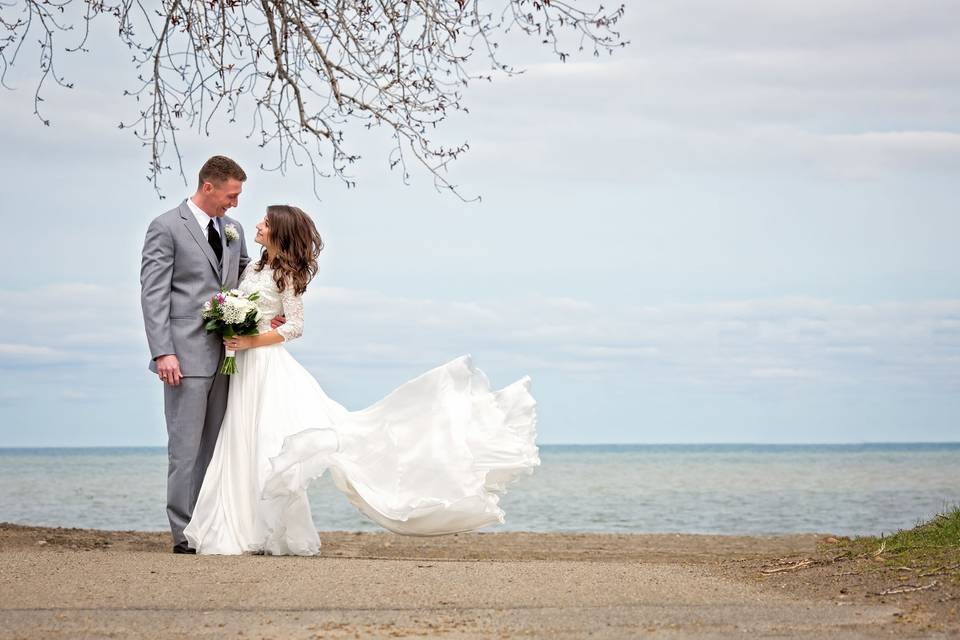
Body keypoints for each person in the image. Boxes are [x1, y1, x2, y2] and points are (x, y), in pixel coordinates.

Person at [183, 205, 540, 555]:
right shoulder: (257, 264)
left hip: (265, 364)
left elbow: (295, 326)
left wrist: (250, 340)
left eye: (266, 221)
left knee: (267, 441)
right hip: (243, 365)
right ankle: (240, 523)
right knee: (241, 440)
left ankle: (264, 530)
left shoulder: (287, 275)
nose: (257, 224)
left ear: (280, 231)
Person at [140, 156, 284, 554]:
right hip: (183, 356)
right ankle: (184, 534)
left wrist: (276, 306)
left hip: (230, 357)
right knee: (185, 447)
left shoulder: (234, 230)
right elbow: (153, 295)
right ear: (209, 187)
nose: (235, 203)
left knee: (218, 447)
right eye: (232, 195)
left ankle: (211, 526)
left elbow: (246, 280)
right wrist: (163, 352)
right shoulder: (166, 228)